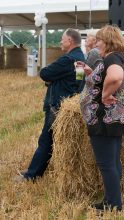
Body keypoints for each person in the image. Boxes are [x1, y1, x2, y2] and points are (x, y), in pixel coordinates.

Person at [15, 28, 85, 182]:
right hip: (67, 104)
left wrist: (53, 78)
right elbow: (79, 82)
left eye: (62, 38)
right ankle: (35, 170)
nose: (60, 41)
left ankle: (32, 175)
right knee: (51, 139)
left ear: (70, 41)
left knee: (46, 140)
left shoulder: (67, 60)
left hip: (56, 105)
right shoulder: (80, 58)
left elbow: (44, 73)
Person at [80, 25, 124, 211]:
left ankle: (114, 205)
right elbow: (109, 76)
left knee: (106, 164)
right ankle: (110, 200)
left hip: (105, 119)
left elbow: (116, 77)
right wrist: (91, 74)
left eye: (99, 40)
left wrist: (104, 95)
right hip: (114, 118)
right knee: (113, 162)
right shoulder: (118, 57)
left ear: (107, 41)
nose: (96, 43)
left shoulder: (111, 57)